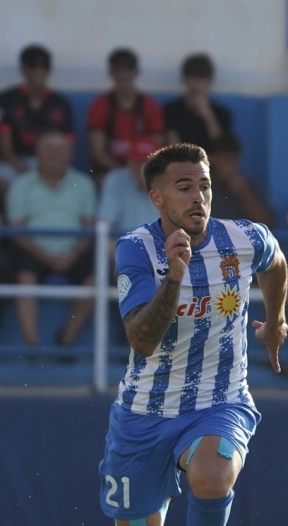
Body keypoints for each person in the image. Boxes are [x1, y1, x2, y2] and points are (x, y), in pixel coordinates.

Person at [83, 142, 288, 526]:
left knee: (214, 473)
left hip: (219, 401)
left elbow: (278, 262)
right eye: (184, 187)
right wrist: (174, 276)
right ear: (157, 198)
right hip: (144, 415)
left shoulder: (244, 238)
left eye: (204, 185)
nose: (199, 196)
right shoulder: (136, 249)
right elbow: (142, 340)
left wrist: (279, 317)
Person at [6, 132, 96, 352]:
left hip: (75, 250)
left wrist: (73, 254)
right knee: (24, 278)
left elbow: (91, 228)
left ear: (71, 153)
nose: (55, 154)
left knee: (96, 281)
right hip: (34, 250)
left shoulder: (84, 183)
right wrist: (45, 256)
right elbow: (16, 231)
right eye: (48, 148)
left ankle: (67, 337)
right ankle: (33, 346)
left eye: (61, 148)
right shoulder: (21, 184)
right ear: (37, 153)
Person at [0, 45, 75, 181]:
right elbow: (5, 149)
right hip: (16, 162)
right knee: (3, 183)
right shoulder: (8, 99)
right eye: (33, 65)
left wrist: (52, 169)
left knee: (76, 184)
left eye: (44, 66)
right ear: (23, 69)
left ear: (49, 70)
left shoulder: (61, 103)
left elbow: (68, 144)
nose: (39, 71)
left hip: (52, 161)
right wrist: (27, 173)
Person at [86, 48, 166, 176]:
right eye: (118, 69)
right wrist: (123, 173)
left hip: (142, 171)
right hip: (109, 170)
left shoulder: (150, 106)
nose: (123, 74)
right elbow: (98, 153)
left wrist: (137, 172)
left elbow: (157, 149)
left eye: (127, 69)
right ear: (110, 72)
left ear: (137, 72)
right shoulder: (99, 106)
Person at [163, 54, 233, 151]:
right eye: (192, 78)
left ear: (210, 81)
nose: (196, 84)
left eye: (201, 78)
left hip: (211, 163)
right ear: (184, 80)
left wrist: (207, 116)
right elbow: (172, 147)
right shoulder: (172, 110)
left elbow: (222, 149)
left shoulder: (222, 113)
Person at [96, 137, 160, 238]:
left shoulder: (172, 184)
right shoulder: (116, 180)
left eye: (147, 164)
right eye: (138, 163)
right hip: (123, 250)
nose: (142, 170)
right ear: (129, 162)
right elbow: (105, 227)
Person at [206, 134, 274, 228]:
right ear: (213, 159)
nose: (230, 165)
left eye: (234, 159)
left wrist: (245, 195)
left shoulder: (248, 185)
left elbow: (267, 225)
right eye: (225, 159)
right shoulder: (203, 187)